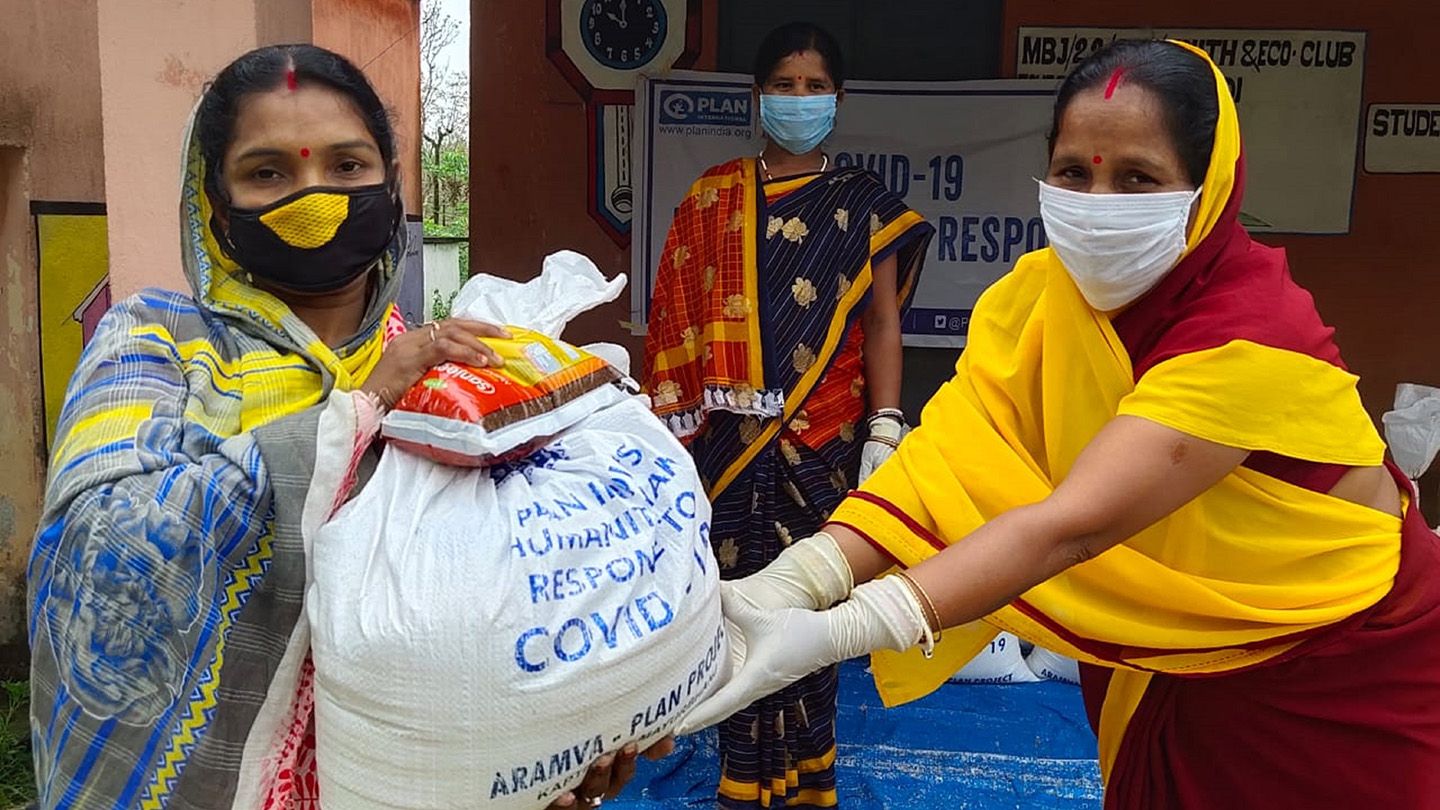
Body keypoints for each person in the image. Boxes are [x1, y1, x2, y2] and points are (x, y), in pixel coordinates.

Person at [676, 39, 1440, 808]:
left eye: (1138, 178)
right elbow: (944, 463)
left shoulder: (1255, 333)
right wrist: (802, 578)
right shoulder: (1038, 299)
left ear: (1208, 187)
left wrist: (845, 628)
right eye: (1076, 172)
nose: (1098, 203)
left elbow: (1072, 527)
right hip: (1168, 654)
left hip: (1339, 667)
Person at [27, 44, 664, 809]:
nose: (314, 197)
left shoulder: (453, 370)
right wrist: (361, 412)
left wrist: (550, 744)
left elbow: (504, 596)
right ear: (213, 199)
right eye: (268, 172)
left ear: (393, 184)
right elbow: (106, 548)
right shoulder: (156, 342)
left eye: (347, 166)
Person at [641, 21, 933, 810]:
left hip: (823, 444)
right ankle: (742, 778)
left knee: (812, 613)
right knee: (738, 605)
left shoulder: (863, 206)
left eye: (814, 87)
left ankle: (808, 781)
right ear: (758, 96)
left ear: (838, 100)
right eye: (784, 85)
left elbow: (879, 325)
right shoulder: (711, 198)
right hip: (728, 447)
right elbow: (674, 317)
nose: (798, 100)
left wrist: (885, 423)